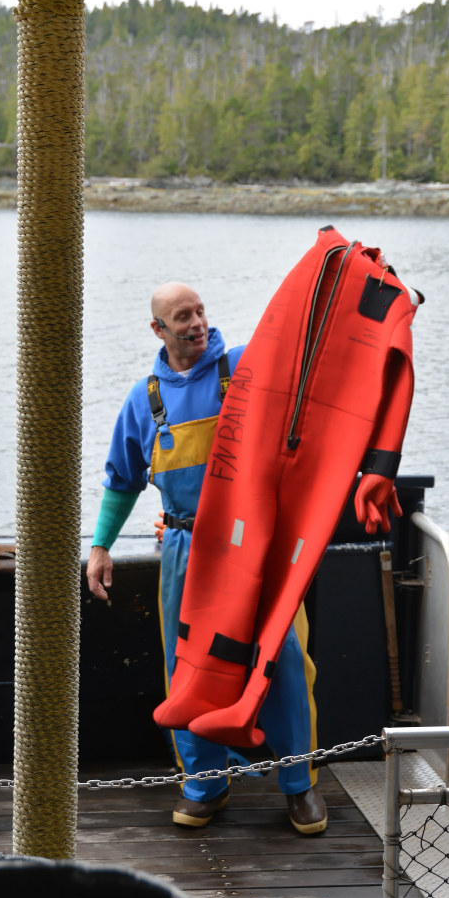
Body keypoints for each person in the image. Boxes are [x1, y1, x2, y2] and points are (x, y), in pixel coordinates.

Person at [87, 282, 327, 834]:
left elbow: (308, 375)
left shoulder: (245, 367)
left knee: (283, 659)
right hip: (184, 552)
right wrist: (100, 547)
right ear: (159, 330)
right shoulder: (142, 400)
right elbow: (122, 481)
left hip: (254, 548)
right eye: (182, 317)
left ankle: (299, 785)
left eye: (200, 311)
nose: (197, 323)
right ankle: (205, 787)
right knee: (190, 669)